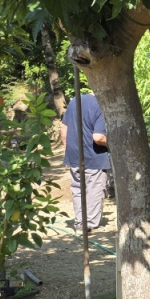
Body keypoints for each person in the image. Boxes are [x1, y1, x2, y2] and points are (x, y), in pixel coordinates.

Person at [62, 90, 112, 231]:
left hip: (74, 156)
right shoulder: (101, 105)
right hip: (94, 157)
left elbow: (64, 129)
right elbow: (98, 137)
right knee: (94, 189)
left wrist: (69, 149)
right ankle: (90, 224)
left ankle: (80, 223)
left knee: (78, 189)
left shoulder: (74, 101)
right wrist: (114, 145)